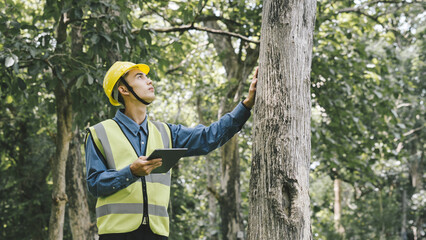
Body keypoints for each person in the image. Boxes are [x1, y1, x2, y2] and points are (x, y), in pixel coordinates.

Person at [85, 61, 258, 240]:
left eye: (146, 76)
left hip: (157, 234)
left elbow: (209, 137)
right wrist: (130, 172)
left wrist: (246, 105)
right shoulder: (99, 133)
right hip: (116, 235)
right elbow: (94, 184)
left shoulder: (166, 132)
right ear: (124, 90)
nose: (149, 81)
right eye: (140, 77)